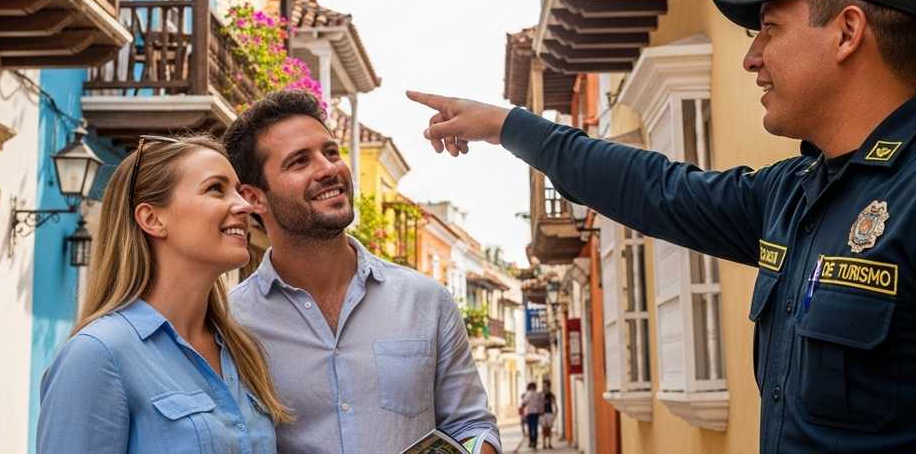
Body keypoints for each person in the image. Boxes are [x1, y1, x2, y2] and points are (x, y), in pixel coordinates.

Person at [408, 0, 916, 452]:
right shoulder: (792, 195)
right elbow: (656, 188)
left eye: (770, 29)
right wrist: (512, 127)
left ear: (848, 31)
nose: (751, 57)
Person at [224, 91, 501, 454]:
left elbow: (471, 425)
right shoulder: (232, 324)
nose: (328, 169)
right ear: (254, 197)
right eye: (299, 162)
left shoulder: (426, 301)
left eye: (331, 152)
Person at [37, 134, 290, 453]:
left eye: (239, 191)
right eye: (216, 188)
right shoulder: (97, 355)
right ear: (152, 219)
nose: (244, 205)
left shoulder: (244, 352)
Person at [518, 382, 542, 449]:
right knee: (535, 427)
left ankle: (531, 442)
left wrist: (522, 407)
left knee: (530, 427)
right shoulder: (537, 394)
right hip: (536, 413)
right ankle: (535, 442)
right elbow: (540, 403)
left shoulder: (528, 394)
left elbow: (524, 402)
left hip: (530, 413)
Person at [540, 382, 556, 449]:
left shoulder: (551, 395)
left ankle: (549, 443)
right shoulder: (540, 395)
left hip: (549, 413)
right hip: (542, 414)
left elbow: (554, 403)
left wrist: (555, 412)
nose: (544, 387)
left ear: (549, 387)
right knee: (543, 429)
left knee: (549, 429)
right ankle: (544, 444)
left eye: (545, 386)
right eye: (543, 386)